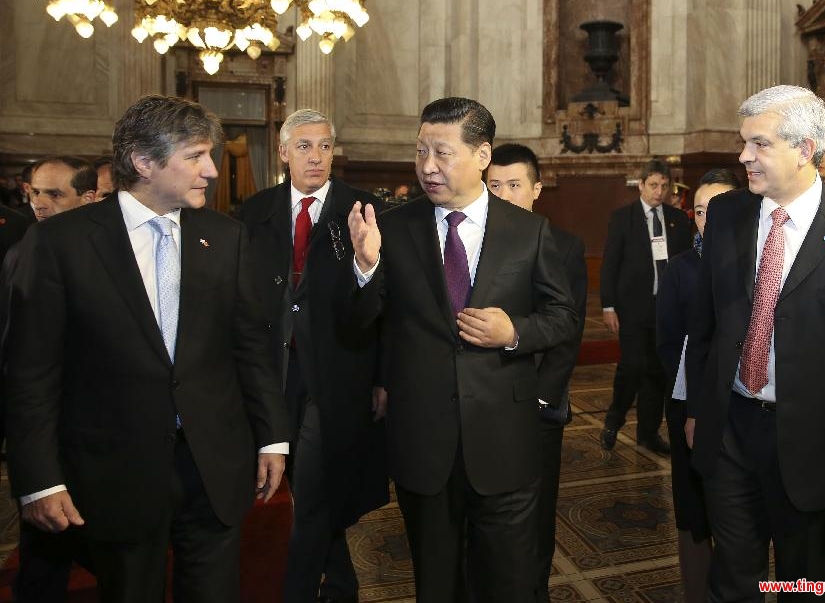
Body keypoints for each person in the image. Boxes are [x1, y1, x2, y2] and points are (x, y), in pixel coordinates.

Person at [5, 94, 290, 603]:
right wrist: (39, 480)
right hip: (114, 471)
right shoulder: (59, 244)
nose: (211, 170)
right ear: (144, 162)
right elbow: (31, 373)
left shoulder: (227, 237)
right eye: (195, 156)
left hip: (213, 467)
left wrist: (272, 437)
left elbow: (250, 347)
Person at [347, 97, 578, 603]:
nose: (428, 166)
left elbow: (563, 319)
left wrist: (512, 332)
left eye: (443, 153)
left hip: (505, 442)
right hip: (422, 444)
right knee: (437, 584)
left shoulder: (529, 231)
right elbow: (360, 324)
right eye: (421, 151)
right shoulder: (393, 228)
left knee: (509, 584)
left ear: (481, 156)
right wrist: (364, 269)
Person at [685, 85, 825, 601]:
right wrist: (698, 408)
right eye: (744, 143)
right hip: (731, 428)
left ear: (806, 149)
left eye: (759, 144)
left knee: (804, 581)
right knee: (733, 577)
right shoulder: (728, 217)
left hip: (814, 445)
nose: (743, 157)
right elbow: (707, 326)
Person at [239, 108, 388, 603]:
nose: (316, 156)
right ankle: (342, 585)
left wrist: (367, 267)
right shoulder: (254, 211)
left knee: (316, 488)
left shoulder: (363, 208)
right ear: (283, 152)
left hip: (337, 371)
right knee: (307, 490)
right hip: (273, 372)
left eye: (325, 145)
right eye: (304, 146)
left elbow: (385, 307)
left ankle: (298, 592)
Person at [485, 143, 587, 603]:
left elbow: (567, 333)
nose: (504, 195)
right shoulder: (470, 239)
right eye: (494, 185)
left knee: (535, 515)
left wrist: (542, 399)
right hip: (481, 400)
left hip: (538, 408)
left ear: (536, 189)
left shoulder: (564, 246)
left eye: (514, 185)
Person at [1, 157, 96, 603]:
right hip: (49, 432)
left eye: (54, 194)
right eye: (34, 193)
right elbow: (20, 361)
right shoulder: (27, 251)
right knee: (45, 553)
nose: (39, 204)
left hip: (95, 437)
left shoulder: (100, 252)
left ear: (89, 198)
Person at [655, 168, 739, 603]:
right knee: (694, 511)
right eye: (702, 211)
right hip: (689, 407)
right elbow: (669, 346)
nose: (710, 219)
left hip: (746, 412)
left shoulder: (763, 265)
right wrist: (695, 405)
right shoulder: (681, 270)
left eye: (720, 209)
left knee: (741, 515)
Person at [600, 159, 691, 455]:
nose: (659, 191)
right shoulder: (622, 217)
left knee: (657, 373)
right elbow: (610, 264)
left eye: (664, 186)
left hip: (666, 310)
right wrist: (608, 305)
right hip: (632, 308)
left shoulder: (677, 220)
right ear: (640, 185)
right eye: (653, 185)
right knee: (633, 366)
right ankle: (615, 417)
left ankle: (648, 433)